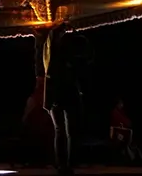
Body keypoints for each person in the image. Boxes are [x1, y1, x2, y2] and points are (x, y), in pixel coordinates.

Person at [42, 22, 90, 176]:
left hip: (62, 95)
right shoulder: (59, 56)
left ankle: (65, 164)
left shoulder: (58, 56)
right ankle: (64, 164)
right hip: (62, 95)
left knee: (64, 131)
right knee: (64, 131)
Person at [109, 97, 142, 164]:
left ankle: (134, 159)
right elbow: (114, 124)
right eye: (120, 104)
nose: (122, 105)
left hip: (125, 132)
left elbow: (127, 121)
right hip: (117, 133)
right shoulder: (114, 112)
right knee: (124, 142)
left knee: (131, 143)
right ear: (117, 104)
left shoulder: (122, 112)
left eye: (122, 104)